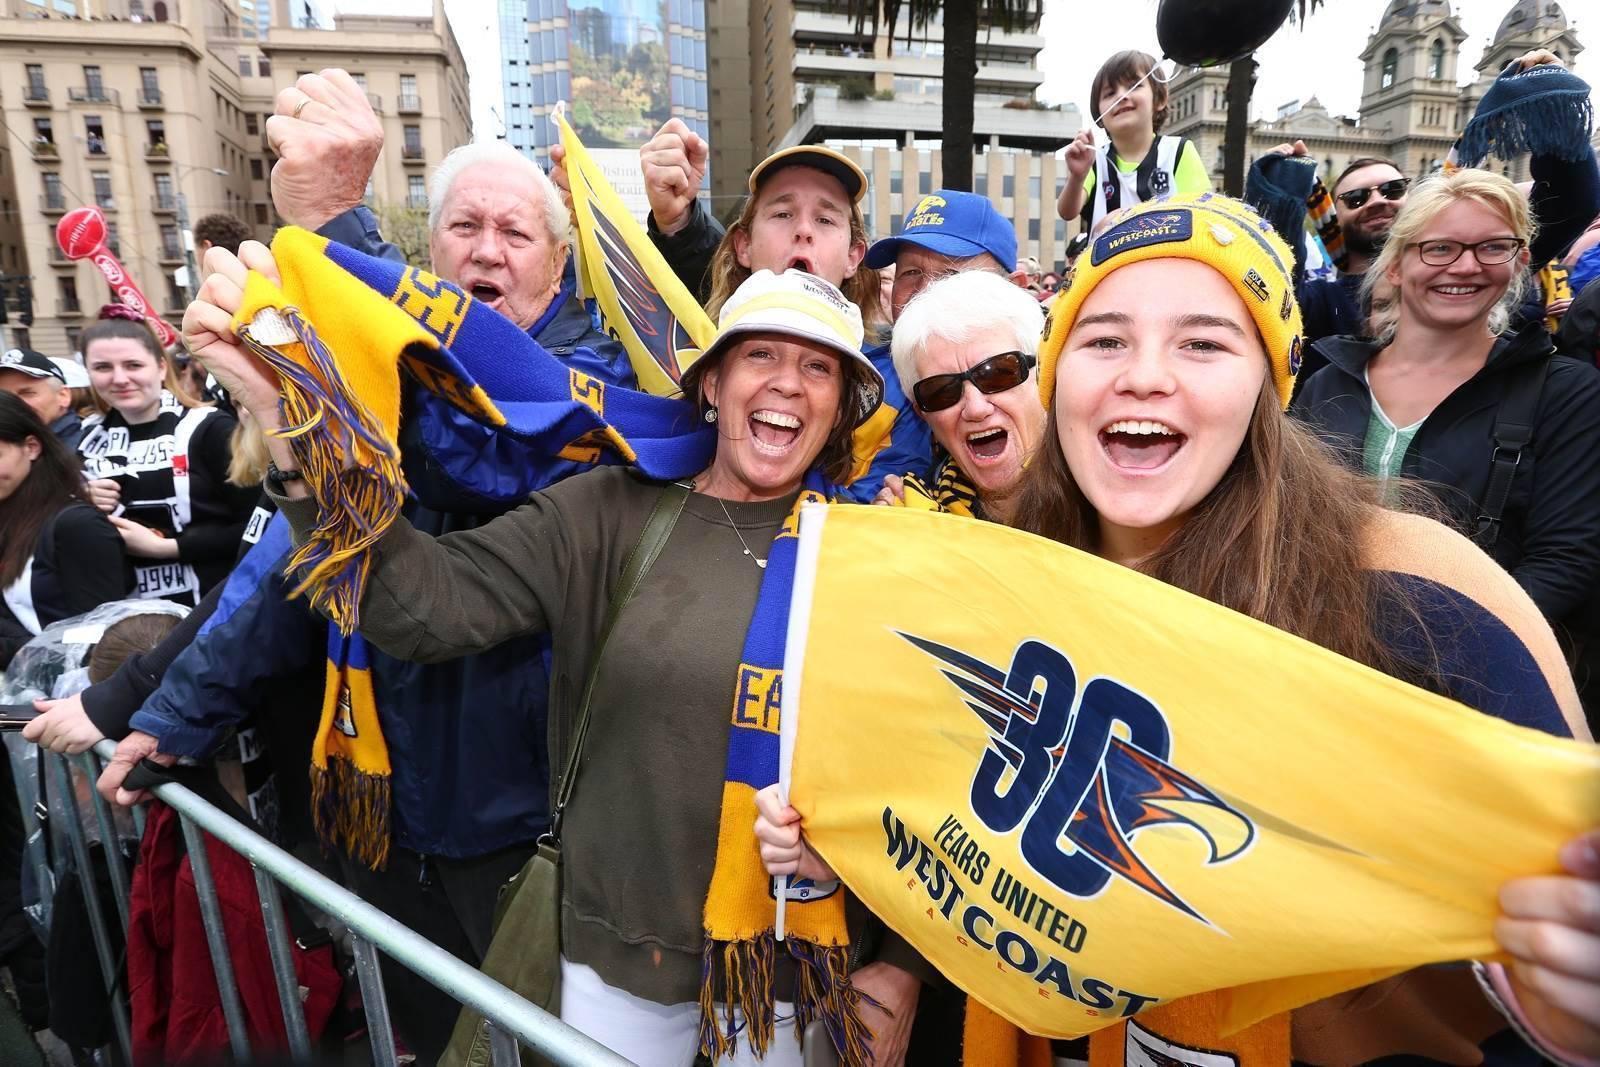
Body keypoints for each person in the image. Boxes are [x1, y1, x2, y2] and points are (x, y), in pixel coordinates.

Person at [756, 192, 1599, 1065]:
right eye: (1106, 339)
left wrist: (1565, 1001)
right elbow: (960, 827)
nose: (1144, 375)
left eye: (1202, 341)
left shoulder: (1419, 591)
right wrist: (839, 848)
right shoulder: (1003, 578)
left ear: (1271, 382)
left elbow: (1560, 864)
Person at [186, 254, 929, 1066]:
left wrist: (900, 963)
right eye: (760, 355)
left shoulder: (872, 554)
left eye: (818, 368)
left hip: (789, 976)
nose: (788, 383)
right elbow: (418, 608)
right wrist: (297, 436)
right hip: (617, 972)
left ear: (842, 408)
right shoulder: (608, 512)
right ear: (713, 385)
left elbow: (921, 779)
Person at [97, 69, 642, 1065]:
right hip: (385, 804)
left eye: (514, 234)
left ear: (559, 263)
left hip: (531, 825)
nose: (485, 250)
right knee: (425, 1039)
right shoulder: (366, 361)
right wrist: (167, 720)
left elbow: (467, 439)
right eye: (462, 229)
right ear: (429, 254)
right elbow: (286, 568)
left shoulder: (592, 386)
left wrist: (341, 232)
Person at [1295, 169, 1600, 724]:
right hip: (1323, 675)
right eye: (1439, 249)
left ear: (1519, 261)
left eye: (1493, 247)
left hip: (1476, 699)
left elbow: (1564, 563)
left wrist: (1421, 656)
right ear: (1397, 262)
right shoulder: (1326, 383)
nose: (1465, 266)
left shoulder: (1566, 393)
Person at [1294, 49, 1600, 362]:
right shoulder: (1319, 302)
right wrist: (1281, 199)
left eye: (1393, 189)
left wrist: (1547, 106)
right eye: (1356, 198)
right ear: (1333, 216)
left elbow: (1572, 201)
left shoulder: (1480, 266)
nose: (1377, 201)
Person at [76, 311, 256, 606]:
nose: (120, 379)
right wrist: (82, 502)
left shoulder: (209, 428)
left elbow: (257, 525)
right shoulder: (88, 439)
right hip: (125, 612)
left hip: (214, 607)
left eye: (133, 365)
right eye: (103, 367)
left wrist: (169, 548)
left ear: (161, 367)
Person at [876, 271, 1046, 524]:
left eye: (998, 374)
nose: (976, 408)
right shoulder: (916, 523)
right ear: (923, 414)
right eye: (941, 391)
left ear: (1045, 373)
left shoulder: (1110, 510)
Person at [0, 392, 126, 669]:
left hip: (63, 700)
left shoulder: (76, 525)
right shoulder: (9, 515)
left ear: (31, 447)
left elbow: (96, 646)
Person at [1055, 50, 1210, 234]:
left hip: (1167, 259)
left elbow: (1203, 213)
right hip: (1107, 262)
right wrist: (1077, 176)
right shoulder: (1095, 160)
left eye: (1134, 86)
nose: (1121, 96)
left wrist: (1124, 219)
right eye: (1110, 93)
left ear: (1160, 99)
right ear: (1100, 116)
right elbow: (1067, 212)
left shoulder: (1178, 151)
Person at [0, 348, 81, 451]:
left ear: (63, 395)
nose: (12, 403)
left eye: (27, 393)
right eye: (4, 395)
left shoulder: (88, 452)